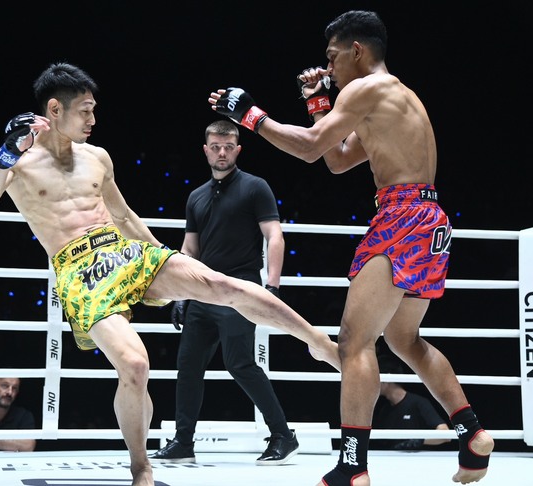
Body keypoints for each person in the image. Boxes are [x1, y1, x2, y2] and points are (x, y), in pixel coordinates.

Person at [0, 62, 339, 486]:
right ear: (55, 109)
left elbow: (124, 215)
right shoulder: (18, 162)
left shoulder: (97, 157)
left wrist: (163, 257)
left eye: (93, 110)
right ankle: (141, 468)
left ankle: (319, 343)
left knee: (221, 284)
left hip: (123, 251)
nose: (93, 120)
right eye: (85, 111)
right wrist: (6, 153)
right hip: (79, 271)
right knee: (134, 364)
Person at [208, 9, 493, 486]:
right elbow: (338, 160)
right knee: (404, 340)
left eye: (333, 56)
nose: (329, 67)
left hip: (402, 216)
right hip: (431, 220)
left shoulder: (365, 89)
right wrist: (319, 102)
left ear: (357, 50)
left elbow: (310, 148)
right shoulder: (397, 96)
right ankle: (472, 434)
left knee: (353, 342)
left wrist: (252, 118)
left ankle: (352, 466)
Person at [148, 120, 299, 466]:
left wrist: (272, 287)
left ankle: (283, 435)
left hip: (241, 289)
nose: (221, 152)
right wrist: (181, 294)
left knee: (240, 363)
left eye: (228, 147)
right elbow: (189, 249)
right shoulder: (196, 196)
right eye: (215, 146)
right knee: (188, 366)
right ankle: (183, 441)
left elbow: (275, 236)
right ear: (205, 150)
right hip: (203, 290)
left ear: (238, 150)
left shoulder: (255, 187)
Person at [372, 354, 451, 451]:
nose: (372, 383)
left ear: (387, 378)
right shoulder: (385, 409)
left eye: (375, 378)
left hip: (418, 458)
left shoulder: (418, 403)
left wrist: (419, 441)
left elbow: (445, 434)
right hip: (391, 457)